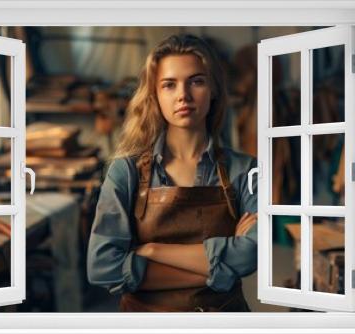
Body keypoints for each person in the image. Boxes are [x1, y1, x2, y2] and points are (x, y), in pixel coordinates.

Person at [87, 34, 258, 312]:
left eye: (196, 81)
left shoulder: (245, 170)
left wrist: (153, 251)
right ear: (155, 94)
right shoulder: (125, 172)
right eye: (169, 84)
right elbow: (102, 267)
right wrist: (219, 272)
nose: (183, 95)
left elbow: (251, 254)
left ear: (213, 88)